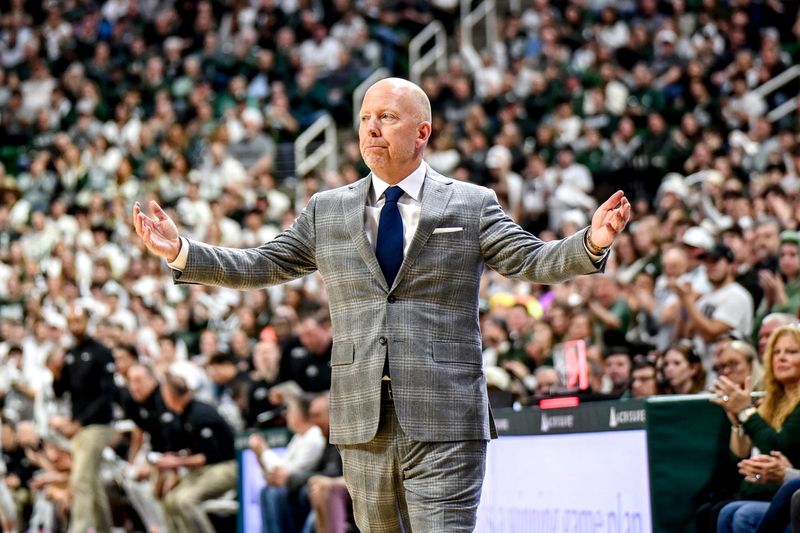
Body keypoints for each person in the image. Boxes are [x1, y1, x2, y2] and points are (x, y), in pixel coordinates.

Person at [133, 77, 631, 531]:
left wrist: (591, 241)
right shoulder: (326, 210)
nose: (372, 129)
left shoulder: (471, 203)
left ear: (422, 132)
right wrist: (182, 252)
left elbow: (531, 260)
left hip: (446, 415)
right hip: (360, 417)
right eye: (366, 119)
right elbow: (264, 264)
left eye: (387, 118)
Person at [711, 325, 800, 532]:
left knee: (743, 515)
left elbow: (779, 446)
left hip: (785, 490)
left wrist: (745, 413)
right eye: (776, 352)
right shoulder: (769, 401)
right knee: (725, 512)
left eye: (792, 352)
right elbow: (740, 458)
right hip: (764, 491)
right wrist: (737, 421)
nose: (782, 358)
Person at [47, 305, 116, 533]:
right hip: (79, 427)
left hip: (97, 425)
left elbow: (107, 395)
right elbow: (60, 391)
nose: (75, 325)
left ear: (88, 321)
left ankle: (78, 529)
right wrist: (56, 373)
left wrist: (79, 422)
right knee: (92, 483)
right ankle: (105, 528)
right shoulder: (69, 354)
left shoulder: (101, 352)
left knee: (80, 482)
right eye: (71, 321)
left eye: (79, 320)